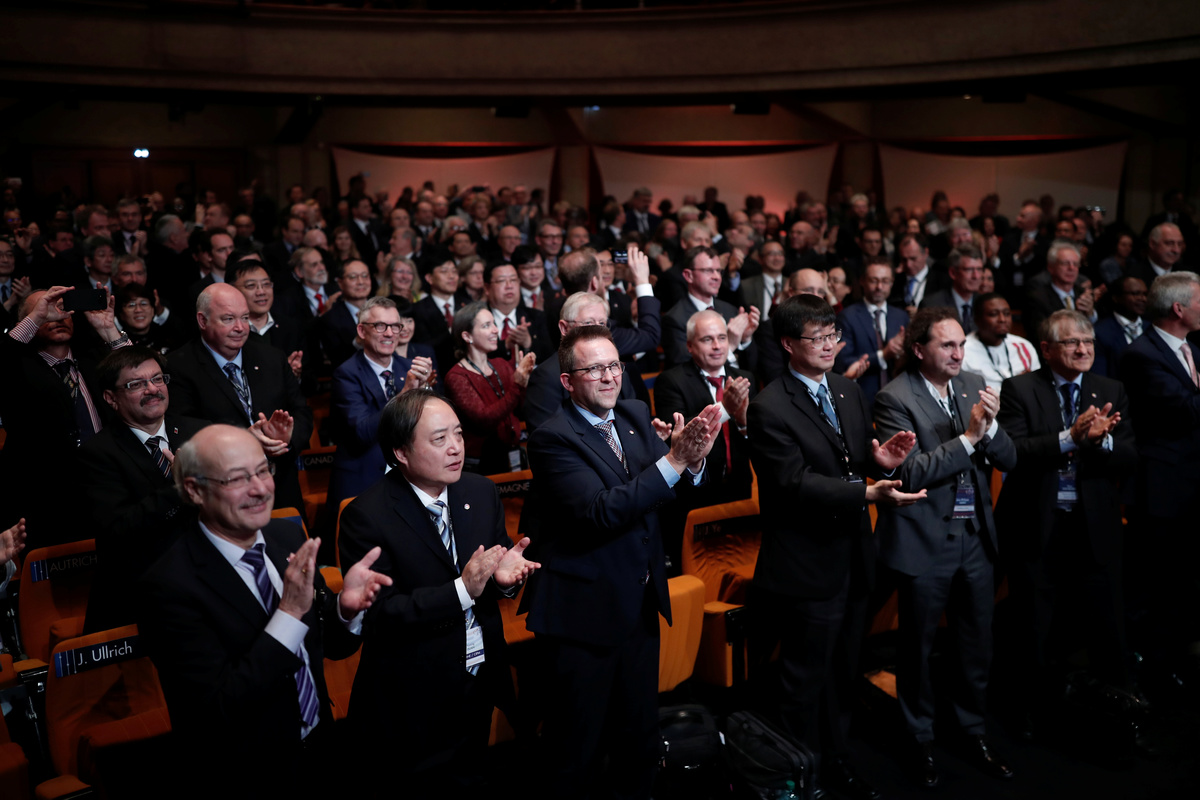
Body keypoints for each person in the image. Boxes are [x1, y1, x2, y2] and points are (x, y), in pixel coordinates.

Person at [139, 425, 391, 796]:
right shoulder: (168, 586)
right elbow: (216, 711)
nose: (259, 488)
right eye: (238, 479)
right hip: (247, 777)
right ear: (194, 490)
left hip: (321, 754)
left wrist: (345, 609)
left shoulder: (286, 537)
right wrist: (288, 614)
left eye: (262, 470)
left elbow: (327, 648)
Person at [523, 324, 720, 797]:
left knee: (639, 740)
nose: (610, 376)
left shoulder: (633, 413)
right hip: (582, 616)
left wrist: (693, 462)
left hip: (638, 602)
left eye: (614, 365)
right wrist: (674, 462)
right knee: (578, 750)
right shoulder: (552, 438)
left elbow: (663, 494)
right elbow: (601, 511)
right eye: (595, 369)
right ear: (568, 381)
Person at [747, 294, 923, 800]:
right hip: (806, 563)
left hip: (853, 556)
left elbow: (851, 459)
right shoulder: (769, 406)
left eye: (833, 336)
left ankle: (837, 759)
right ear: (788, 344)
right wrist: (867, 492)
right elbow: (793, 483)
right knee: (803, 680)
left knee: (844, 672)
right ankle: (799, 775)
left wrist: (880, 462)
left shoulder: (846, 389)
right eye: (818, 338)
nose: (829, 346)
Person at [338, 390, 538, 796]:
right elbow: (382, 615)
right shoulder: (367, 515)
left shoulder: (479, 492)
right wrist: (463, 589)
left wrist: (506, 580)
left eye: (458, 434)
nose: (455, 448)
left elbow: (494, 567)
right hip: (413, 695)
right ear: (401, 452)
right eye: (439, 438)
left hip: (477, 677)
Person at [872, 308, 1018, 787]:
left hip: (975, 536)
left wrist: (989, 431)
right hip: (924, 540)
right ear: (919, 350)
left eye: (961, 345)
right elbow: (910, 472)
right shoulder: (894, 397)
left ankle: (971, 730)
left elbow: (1009, 458)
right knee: (917, 647)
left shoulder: (974, 383)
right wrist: (970, 437)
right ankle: (918, 737)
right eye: (947, 345)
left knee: (976, 643)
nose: (958, 354)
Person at [996, 309, 1136, 735]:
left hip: (1094, 527)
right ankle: (1029, 713)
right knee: (1033, 626)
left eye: (1088, 342)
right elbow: (1013, 452)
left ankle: (1121, 716)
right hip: (1038, 525)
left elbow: (1129, 455)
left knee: (1108, 626)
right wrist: (1069, 438)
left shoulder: (1109, 389)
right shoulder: (1019, 389)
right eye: (1072, 342)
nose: (1082, 349)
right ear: (1047, 349)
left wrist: (1102, 440)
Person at [78, 346, 206, 632]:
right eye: (136, 384)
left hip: (207, 581)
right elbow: (119, 528)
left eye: (158, 379)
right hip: (142, 598)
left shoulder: (200, 433)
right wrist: (178, 488)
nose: (152, 389)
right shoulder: (97, 453)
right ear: (111, 398)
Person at [1117, 271, 1200, 684]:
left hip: (1190, 484)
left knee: (1183, 579)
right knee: (1155, 580)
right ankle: (1146, 669)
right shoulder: (1141, 354)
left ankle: (1176, 660)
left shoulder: (1192, 350)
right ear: (1179, 308)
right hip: (1160, 489)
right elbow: (1184, 410)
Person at [0, 285, 129, 543]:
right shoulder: (15, 366)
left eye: (63, 309)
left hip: (105, 486)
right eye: (46, 310)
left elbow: (140, 379)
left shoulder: (94, 360)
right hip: (43, 498)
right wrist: (35, 318)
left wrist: (109, 330)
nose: (57, 316)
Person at [167, 284, 313, 511]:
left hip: (280, 485)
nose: (240, 327)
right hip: (222, 491)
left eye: (245, 318)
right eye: (228, 319)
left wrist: (285, 441)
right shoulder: (179, 366)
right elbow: (182, 428)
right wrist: (242, 440)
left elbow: (302, 411)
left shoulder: (272, 357)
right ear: (202, 320)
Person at [652, 310, 757, 570]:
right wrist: (726, 409)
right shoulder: (671, 380)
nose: (717, 346)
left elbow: (757, 439)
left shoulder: (744, 377)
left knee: (741, 569)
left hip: (739, 488)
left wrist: (743, 422)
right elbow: (679, 434)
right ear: (689, 346)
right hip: (695, 494)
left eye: (722, 338)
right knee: (699, 574)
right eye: (707, 339)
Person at [329, 297, 435, 509]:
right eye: (380, 326)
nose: (389, 333)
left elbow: (427, 424)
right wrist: (405, 394)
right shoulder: (346, 374)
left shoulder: (409, 368)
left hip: (410, 476)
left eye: (395, 326)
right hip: (365, 479)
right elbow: (362, 432)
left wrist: (425, 389)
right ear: (361, 331)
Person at [444, 301, 536, 474]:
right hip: (480, 464)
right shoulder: (457, 377)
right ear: (467, 336)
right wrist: (518, 385)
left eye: (494, 323)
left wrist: (525, 381)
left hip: (512, 451)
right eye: (486, 325)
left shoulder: (501, 364)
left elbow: (520, 408)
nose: (495, 330)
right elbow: (484, 420)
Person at [661, 245, 760, 371]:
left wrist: (745, 339)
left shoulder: (730, 310)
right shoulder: (675, 319)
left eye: (719, 271)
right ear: (688, 275)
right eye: (708, 271)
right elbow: (685, 370)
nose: (717, 277)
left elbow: (751, 368)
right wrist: (729, 346)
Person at [836, 261, 909, 406]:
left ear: (892, 282)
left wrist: (901, 354)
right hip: (861, 398)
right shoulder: (847, 316)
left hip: (899, 399)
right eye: (873, 280)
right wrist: (883, 355)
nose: (879, 287)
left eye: (885, 281)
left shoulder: (901, 317)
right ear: (862, 281)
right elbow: (842, 362)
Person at [961, 293, 1040, 393]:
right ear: (977, 319)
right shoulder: (964, 350)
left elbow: (1037, 386)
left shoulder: (1024, 346)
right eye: (994, 314)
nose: (1002, 319)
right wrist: (1017, 384)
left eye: (1007, 314)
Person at [1023, 240, 1096, 340]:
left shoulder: (1084, 292)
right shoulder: (1038, 298)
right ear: (1051, 267)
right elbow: (1041, 334)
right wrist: (1077, 314)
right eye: (1065, 263)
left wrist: (1091, 314)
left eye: (1075, 264)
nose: (1071, 268)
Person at [920, 245, 985, 334]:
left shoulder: (985, 304)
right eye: (969, 269)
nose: (976, 276)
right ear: (953, 273)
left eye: (979, 269)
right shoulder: (932, 305)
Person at [1092, 276, 1148, 378]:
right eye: (1135, 293)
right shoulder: (1100, 332)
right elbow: (1099, 377)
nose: (1142, 299)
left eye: (1145, 294)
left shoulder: (1152, 328)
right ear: (1116, 298)